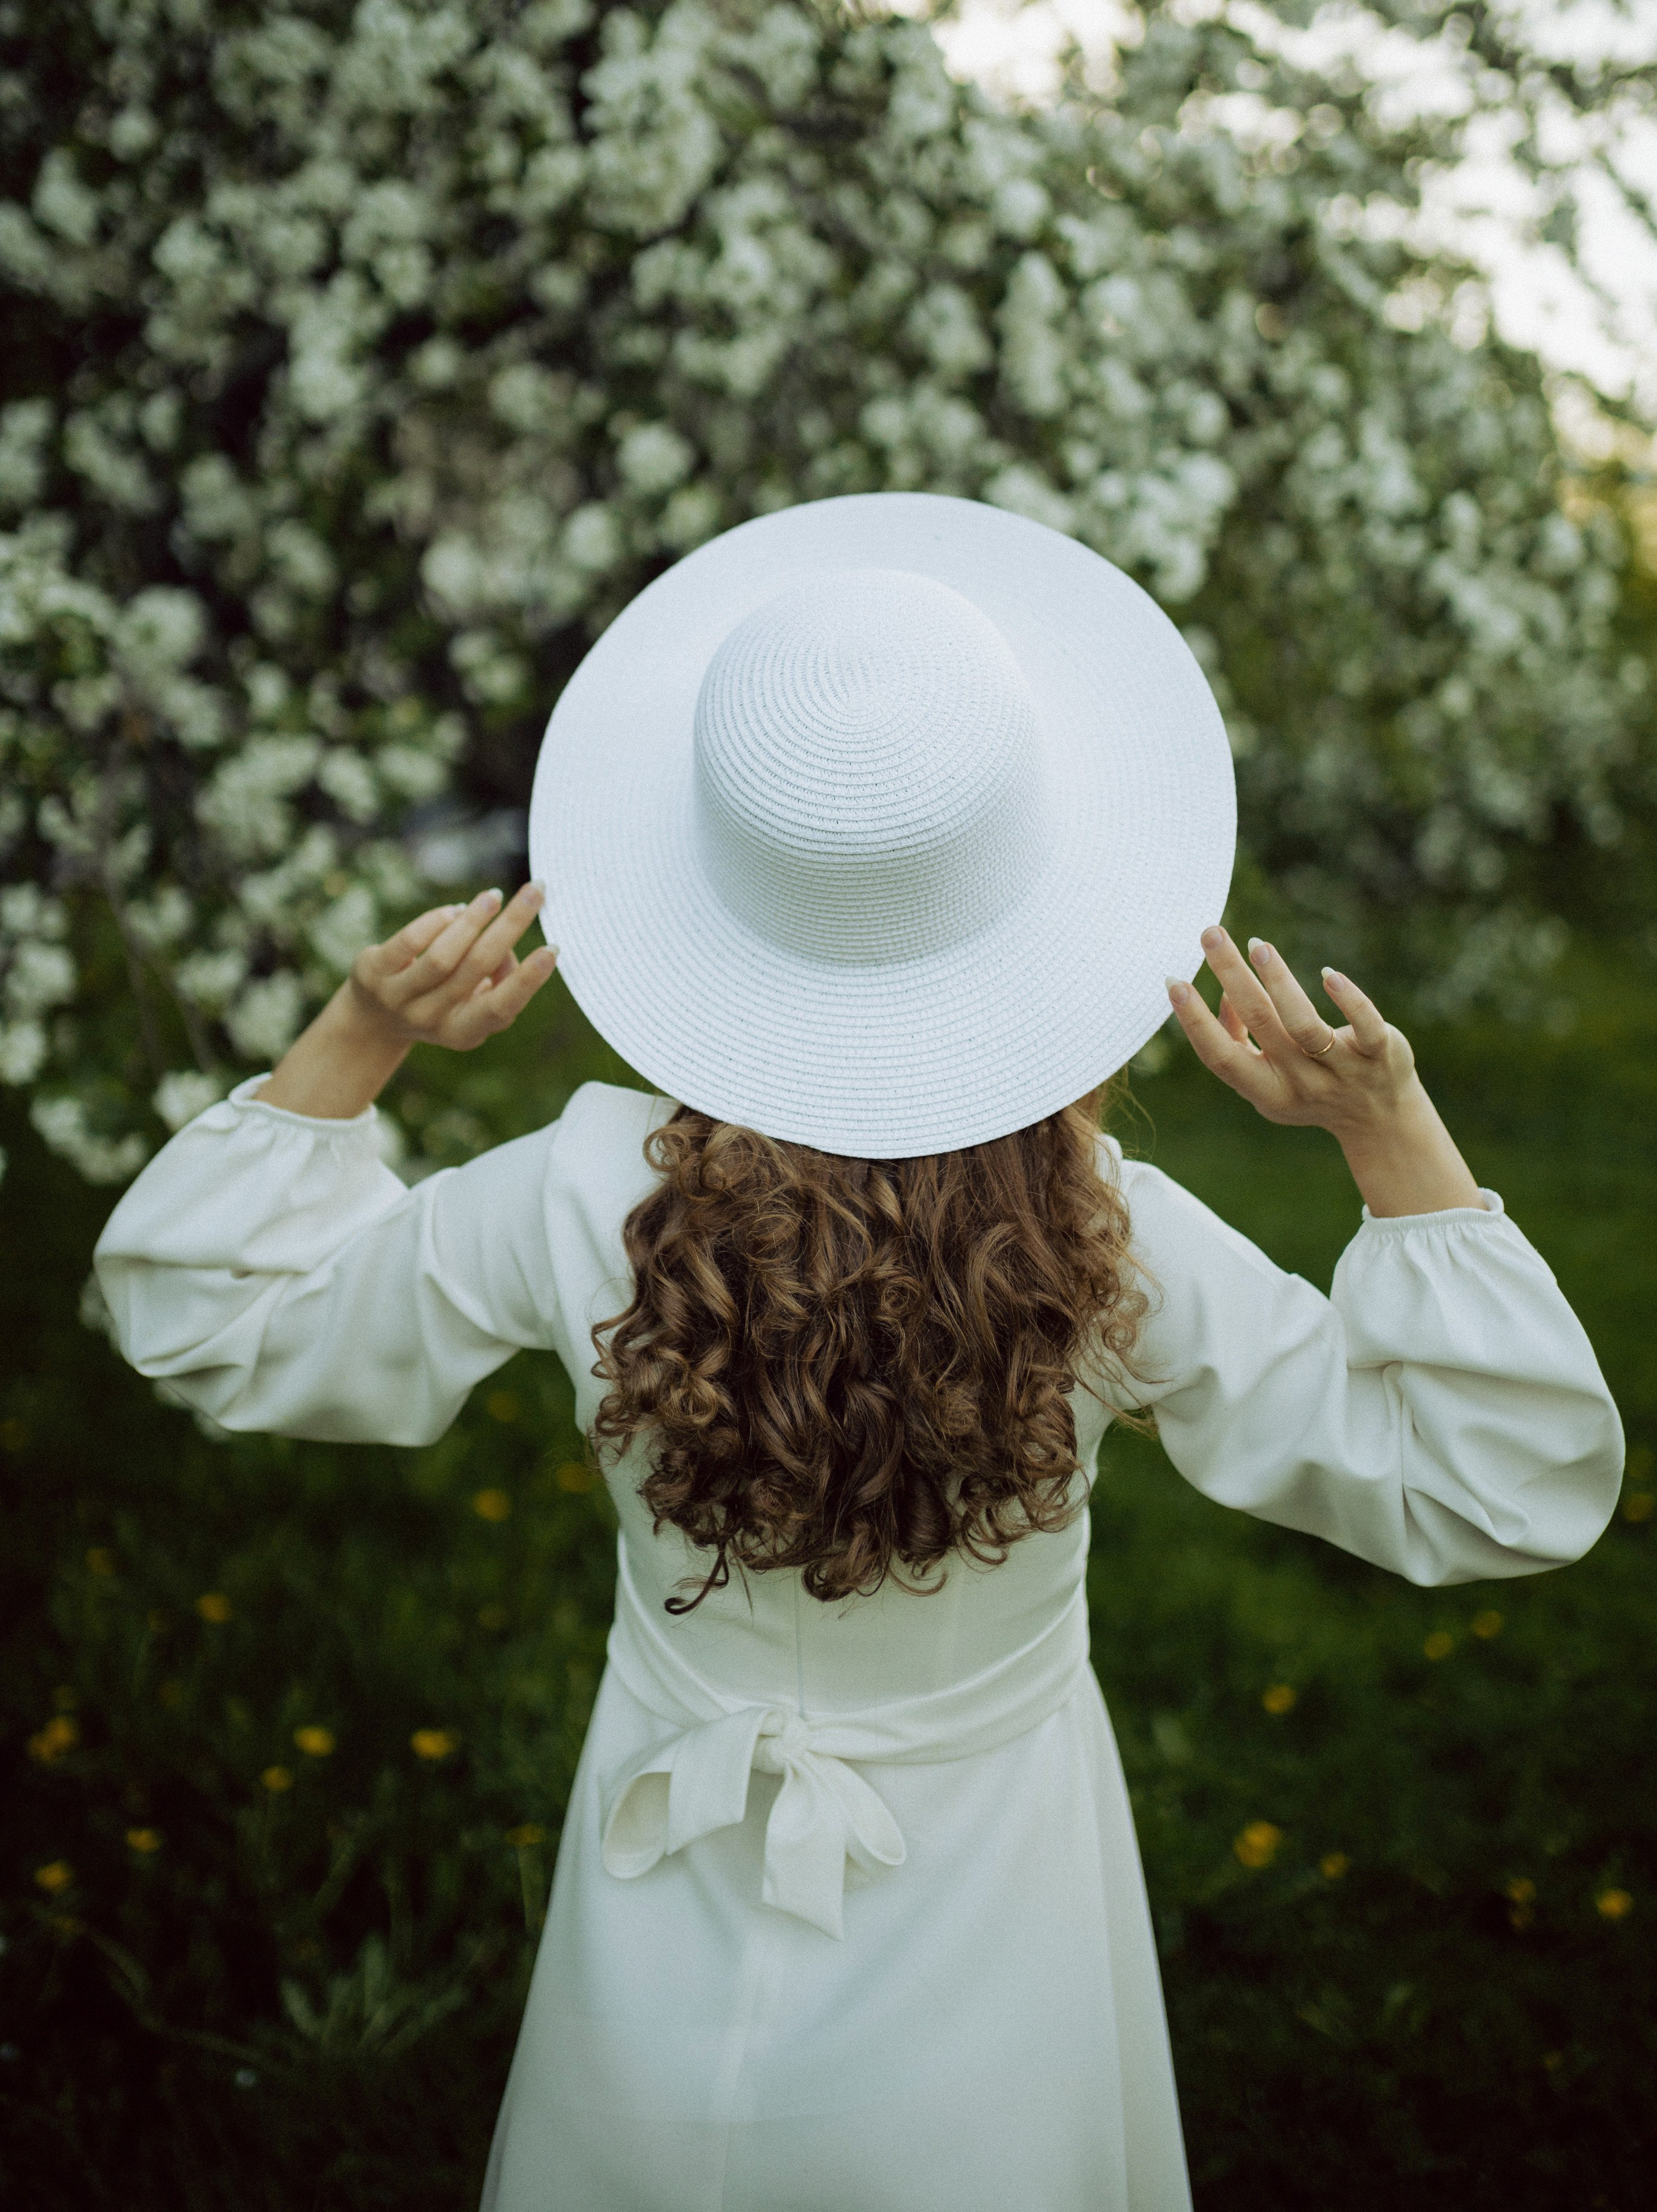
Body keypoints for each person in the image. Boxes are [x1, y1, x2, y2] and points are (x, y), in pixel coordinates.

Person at [94, 493, 1622, 2212]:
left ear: (711, 889)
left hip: (660, 1890)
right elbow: (1499, 1486)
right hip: (997, 1908)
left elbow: (205, 1315)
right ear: (1036, 899)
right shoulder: (1102, 1230)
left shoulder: (584, 1186)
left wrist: (359, 1031)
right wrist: (1394, 1143)